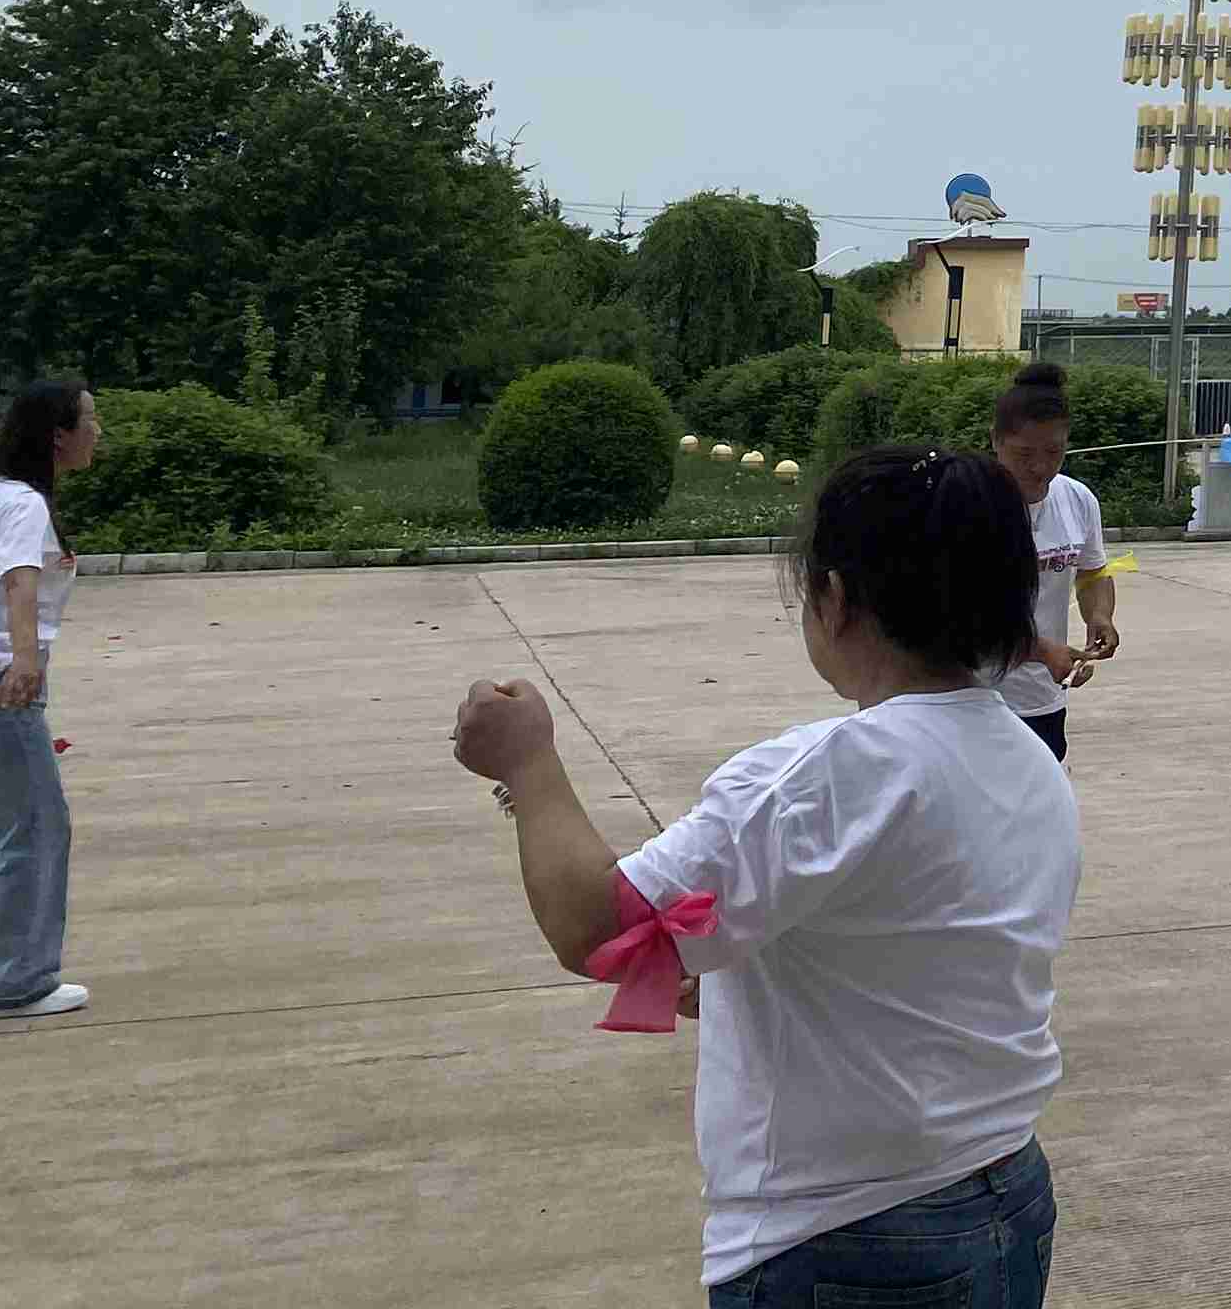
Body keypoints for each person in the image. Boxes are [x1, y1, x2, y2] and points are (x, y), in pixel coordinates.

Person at [447, 446, 1078, 1303]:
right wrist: (738, 981)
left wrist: (528, 764)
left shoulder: (828, 773)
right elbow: (924, 948)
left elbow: (595, 924)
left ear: (835, 599)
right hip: (1004, 1196)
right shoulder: (1027, 761)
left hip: (845, 1238)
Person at [0, 380, 100, 1020]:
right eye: (89, 420)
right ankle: (15, 983)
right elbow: (17, 583)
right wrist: (24, 661)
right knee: (35, 827)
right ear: (58, 434)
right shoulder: (22, 503)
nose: (97, 432)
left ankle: (15, 976)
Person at [989, 363, 1117, 764]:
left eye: (1054, 452)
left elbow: (1092, 571)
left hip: (1043, 698)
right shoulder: (966, 506)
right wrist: (1042, 650)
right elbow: (958, 616)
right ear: (995, 441)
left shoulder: (1077, 499)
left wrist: (1100, 615)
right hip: (972, 700)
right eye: (1024, 454)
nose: (1040, 467)